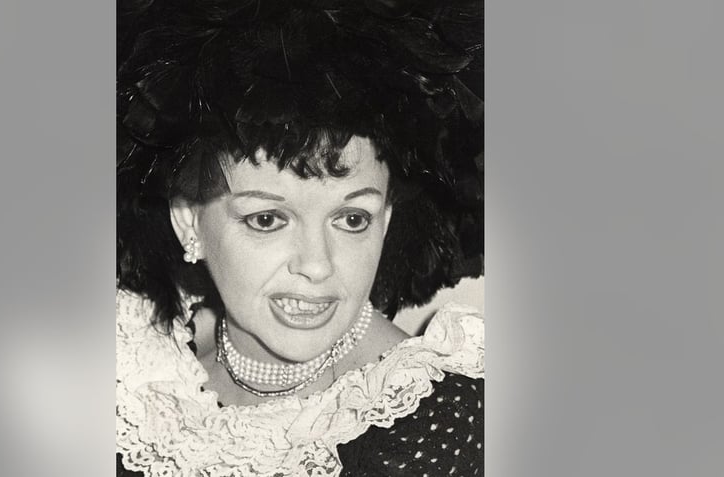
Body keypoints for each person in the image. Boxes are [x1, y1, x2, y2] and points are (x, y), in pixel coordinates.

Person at [116, 0, 484, 475]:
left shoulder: (445, 424)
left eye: (352, 218)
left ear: (386, 218)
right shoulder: (134, 369)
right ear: (189, 222)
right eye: (267, 219)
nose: (316, 265)